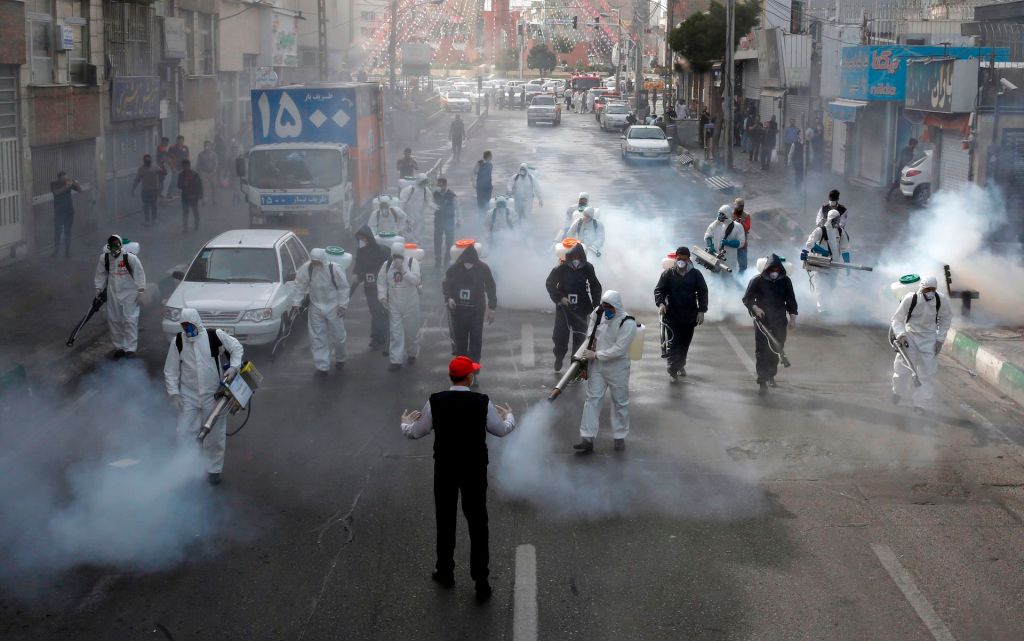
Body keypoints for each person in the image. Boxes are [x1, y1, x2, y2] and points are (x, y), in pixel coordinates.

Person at [400, 355, 516, 602]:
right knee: (477, 522)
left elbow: (416, 432)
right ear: (470, 377)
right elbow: (502, 430)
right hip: (474, 469)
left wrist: (405, 424)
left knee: (445, 519)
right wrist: (509, 416)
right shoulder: (481, 402)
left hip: (445, 467)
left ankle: (445, 571)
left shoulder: (435, 401)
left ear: (451, 376)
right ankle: (481, 579)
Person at [164, 308, 244, 485]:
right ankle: (186, 468)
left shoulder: (214, 336)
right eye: (184, 326)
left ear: (197, 323)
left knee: (214, 434)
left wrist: (234, 367)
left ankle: (213, 470)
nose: (187, 330)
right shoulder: (177, 342)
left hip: (212, 395)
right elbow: (171, 370)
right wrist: (174, 393)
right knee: (185, 431)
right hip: (189, 395)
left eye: (190, 325)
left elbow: (236, 347)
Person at [574, 290, 637, 455]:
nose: (606, 310)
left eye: (610, 307)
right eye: (604, 306)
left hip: (618, 368)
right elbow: (591, 327)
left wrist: (596, 355)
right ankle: (587, 438)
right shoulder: (599, 312)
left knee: (620, 402)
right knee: (592, 400)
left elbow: (619, 350)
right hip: (598, 367)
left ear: (617, 307)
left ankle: (619, 436)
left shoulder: (627, 323)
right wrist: (590, 341)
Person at [890, 275, 951, 415]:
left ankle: (920, 404)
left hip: (929, 340)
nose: (930, 292)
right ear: (921, 288)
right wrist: (901, 335)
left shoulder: (940, 300)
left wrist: (940, 340)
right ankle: (897, 391)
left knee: (927, 374)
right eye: (927, 289)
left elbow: (946, 319)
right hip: (910, 337)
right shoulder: (911, 298)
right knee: (902, 370)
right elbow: (897, 320)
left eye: (932, 289)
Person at [742, 254, 798, 395]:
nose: (774, 272)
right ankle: (762, 380)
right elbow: (747, 299)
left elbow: (791, 300)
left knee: (777, 348)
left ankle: (771, 374)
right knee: (761, 350)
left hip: (779, 319)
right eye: (772, 269)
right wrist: (755, 308)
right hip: (762, 320)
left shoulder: (785, 281)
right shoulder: (757, 281)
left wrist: (793, 318)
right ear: (766, 269)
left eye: (777, 270)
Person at [545, 242, 602, 372]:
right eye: (573, 257)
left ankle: (574, 366)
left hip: (581, 307)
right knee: (560, 336)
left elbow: (595, 286)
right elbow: (550, 284)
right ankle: (559, 357)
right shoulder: (560, 268)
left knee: (580, 337)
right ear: (569, 257)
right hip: (564, 308)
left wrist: (596, 304)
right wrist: (560, 298)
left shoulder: (588, 267)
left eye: (579, 257)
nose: (576, 260)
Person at [293, 248, 350, 376]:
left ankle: (340, 358)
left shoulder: (334, 269)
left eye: (318, 262)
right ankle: (322, 366)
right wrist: (297, 302)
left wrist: (343, 305)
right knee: (317, 337)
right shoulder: (307, 269)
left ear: (323, 260)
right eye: (314, 262)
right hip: (316, 306)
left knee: (339, 335)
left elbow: (343, 287)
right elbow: (300, 285)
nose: (316, 264)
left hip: (334, 306)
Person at [654, 247, 708, 381]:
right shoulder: (668, 274)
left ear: (689, 259)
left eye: (684, 259)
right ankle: (672, 370)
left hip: (689, 316)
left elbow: (702, 292)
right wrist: (661, 303)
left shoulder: (695, 275)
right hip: (672, 315)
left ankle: (680, 364)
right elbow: (659, 290)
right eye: (679, 259)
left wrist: (701, 310)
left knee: (684, 344)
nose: (681, 262)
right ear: (675, 259)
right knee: (673, 343)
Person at [93, 234, 146, 358]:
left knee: (130, 320)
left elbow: (140, 274)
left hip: (130, 294)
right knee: (114, 320)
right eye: (112, 246)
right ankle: (120, 347)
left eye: (117, 245)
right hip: (113, 294)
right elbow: (100, 274)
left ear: (121, 245)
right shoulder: (105, 258)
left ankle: (130, 349)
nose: (114, 249)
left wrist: (141, 292)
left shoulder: (130, 258)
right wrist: (99, 289)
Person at [443, 245, 497, 366]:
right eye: (466, 263)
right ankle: (462, 370)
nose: (468, 266)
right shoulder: (454, 269)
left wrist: (492, 308)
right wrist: (449, 298)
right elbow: (447, 285)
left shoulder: (483, 268)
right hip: (458, 312)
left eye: (471, 264)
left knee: (476, 341)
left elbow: (491, 287)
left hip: (476, 311)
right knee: (460, 342)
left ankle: (473, 371)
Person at [379, 242, 422, 371]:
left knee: (411, 331)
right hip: (394, 304)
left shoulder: (412, 263)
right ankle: (395, 361)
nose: (397, 258)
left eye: (399, 255)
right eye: (394, 256)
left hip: (410, 304)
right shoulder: (387, 266)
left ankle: (412, 353)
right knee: (396, 333)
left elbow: (415, 280)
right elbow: (381, 282)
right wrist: (382, 298)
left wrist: (403, 269)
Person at [800, 209, 851, 313]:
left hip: (834, 264)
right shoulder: (820, 230)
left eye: (838, 219)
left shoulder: (841, 232)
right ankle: (822, 309)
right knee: (821, 286)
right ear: (830, 219)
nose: (837, 222)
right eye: (835, 220)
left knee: (831, 286)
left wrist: (848, 264)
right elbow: (809, 243)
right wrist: (823, 251)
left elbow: (845, 249)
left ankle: (826, 306)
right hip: (821, 262)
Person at [352, 226, 391, 353]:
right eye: (359, 239)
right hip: (370, 287)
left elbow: (389, 266)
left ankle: (382, 336)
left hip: (383, 286)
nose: (361, 241)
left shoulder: (381, 250)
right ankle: (378, 336)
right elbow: (358, 270)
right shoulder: (361, 252)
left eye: (363, 238)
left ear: (369, 238)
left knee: (383, 311)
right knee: (375, 312)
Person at [704, 204, 746, 268]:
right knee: (714, 276)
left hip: (730, 260)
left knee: (729, 275)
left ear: (727, 215)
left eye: (722, 214)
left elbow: (741, 243)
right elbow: (707, 235)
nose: (720, 216)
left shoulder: (737, 226)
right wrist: (710, 246)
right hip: (715, 257)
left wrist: (728, 243)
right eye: (719, 213)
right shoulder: (715, 225)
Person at [50, 171, 81, 258]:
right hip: (59, 212)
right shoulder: (54, 184)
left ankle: (67, 252)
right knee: (57, 231)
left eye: (67, 177)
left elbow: (79, 190)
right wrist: (67, 186)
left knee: (68, 231)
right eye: (64, 177)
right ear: (59, 178)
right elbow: (57, 192)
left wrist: (77, 184)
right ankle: (56, 250)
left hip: (69, 211)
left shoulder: (68, 183)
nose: (66, 178)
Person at [433, 176, 460, 271]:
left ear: (445, 185)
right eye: (438, 185)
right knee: (437, 241)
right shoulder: (435, 194)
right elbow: (431, 204)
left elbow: (457, 208)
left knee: (449, 241)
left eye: (441, 185)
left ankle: (447, 260)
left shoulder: (452, 195)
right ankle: (437, 260)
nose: (439, 187)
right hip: (438, 220)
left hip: (449, 220)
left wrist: (459, 220)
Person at [400, 173, 435, 243]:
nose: (424, 183)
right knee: (408, 235)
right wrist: (401, 213)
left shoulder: (425, 190)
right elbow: (402, 202)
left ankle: (417, 249)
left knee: (418, 236)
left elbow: (429, 200)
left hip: (420, 217)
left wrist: (431, 205)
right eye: (423, 181)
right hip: (409, 216)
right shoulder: (410, 189)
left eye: (425, 182)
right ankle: (408, 250)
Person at [132, 154, 166, 225]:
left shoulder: (155, 167)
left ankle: (154, 220)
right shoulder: (141, 169)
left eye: (149, 160)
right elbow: (137, 180)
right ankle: (147, 220)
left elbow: (163, 173)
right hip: (145, 190)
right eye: (146, 160)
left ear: (151, 160)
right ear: (144, 161)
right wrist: (133, 189)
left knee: (154, 205)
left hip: (154, 190)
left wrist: (163, 166)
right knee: (146, 206)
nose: (148, 161)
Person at [177, 159, 203, 232]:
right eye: (183, 166)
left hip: (194, 196)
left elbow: (199, 185)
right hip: (185, 196)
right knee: (185, 212)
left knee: (195, 211)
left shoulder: (195, 174)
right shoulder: (181, 175)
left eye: (186, 166)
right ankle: (185, 227)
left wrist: (200, 194)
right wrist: (183, 184)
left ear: (189, 166)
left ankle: (196, 224)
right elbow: (178, 185)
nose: (185, 168)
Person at [472, 151, 494, 219]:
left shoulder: (490, 164)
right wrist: (474, 183)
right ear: (487, 156)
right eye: (491, 156)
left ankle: (486, 217)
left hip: (488, 187)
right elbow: (473, 173)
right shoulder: (479, 163)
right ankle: (481, 216)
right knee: (480, 202)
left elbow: (489, 175)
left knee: (487, 202)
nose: (492, 157)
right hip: (480, 187)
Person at [197, 141, 219, 205]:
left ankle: (214, 199)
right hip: (204, 173)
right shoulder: (201, 154)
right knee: (205, 187)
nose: (207, 147)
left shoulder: (214, 154)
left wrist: (215, 169)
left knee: (214, 186)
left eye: (208, 145)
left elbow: (216, 163)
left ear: (210, 146)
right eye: (206, 145)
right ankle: (205, 200)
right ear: (204, 146)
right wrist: (200, 171)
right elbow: (199, 164)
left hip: (212, 173)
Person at [732, 198, 751, 272]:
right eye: (738, 206)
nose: (740, 208)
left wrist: (741, 223)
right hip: (731, 241)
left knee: (743, 264)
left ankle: (742, 278)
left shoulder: (746, 216)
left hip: (742, 242)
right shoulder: (731, 214)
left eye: (741, 206)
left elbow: (747, 228)